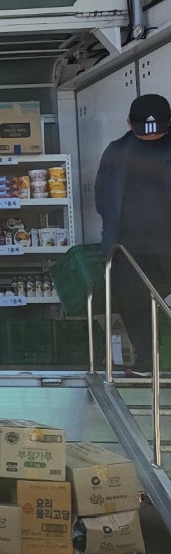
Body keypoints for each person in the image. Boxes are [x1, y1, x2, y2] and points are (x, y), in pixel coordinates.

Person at [94, 92, 171, 375]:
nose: (150, 136)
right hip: (128, 246)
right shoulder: (116, 152)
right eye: (144, 132)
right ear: (129, 123)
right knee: (133, 302)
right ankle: (147, 358)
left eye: (157, 132)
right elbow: (102, 197)